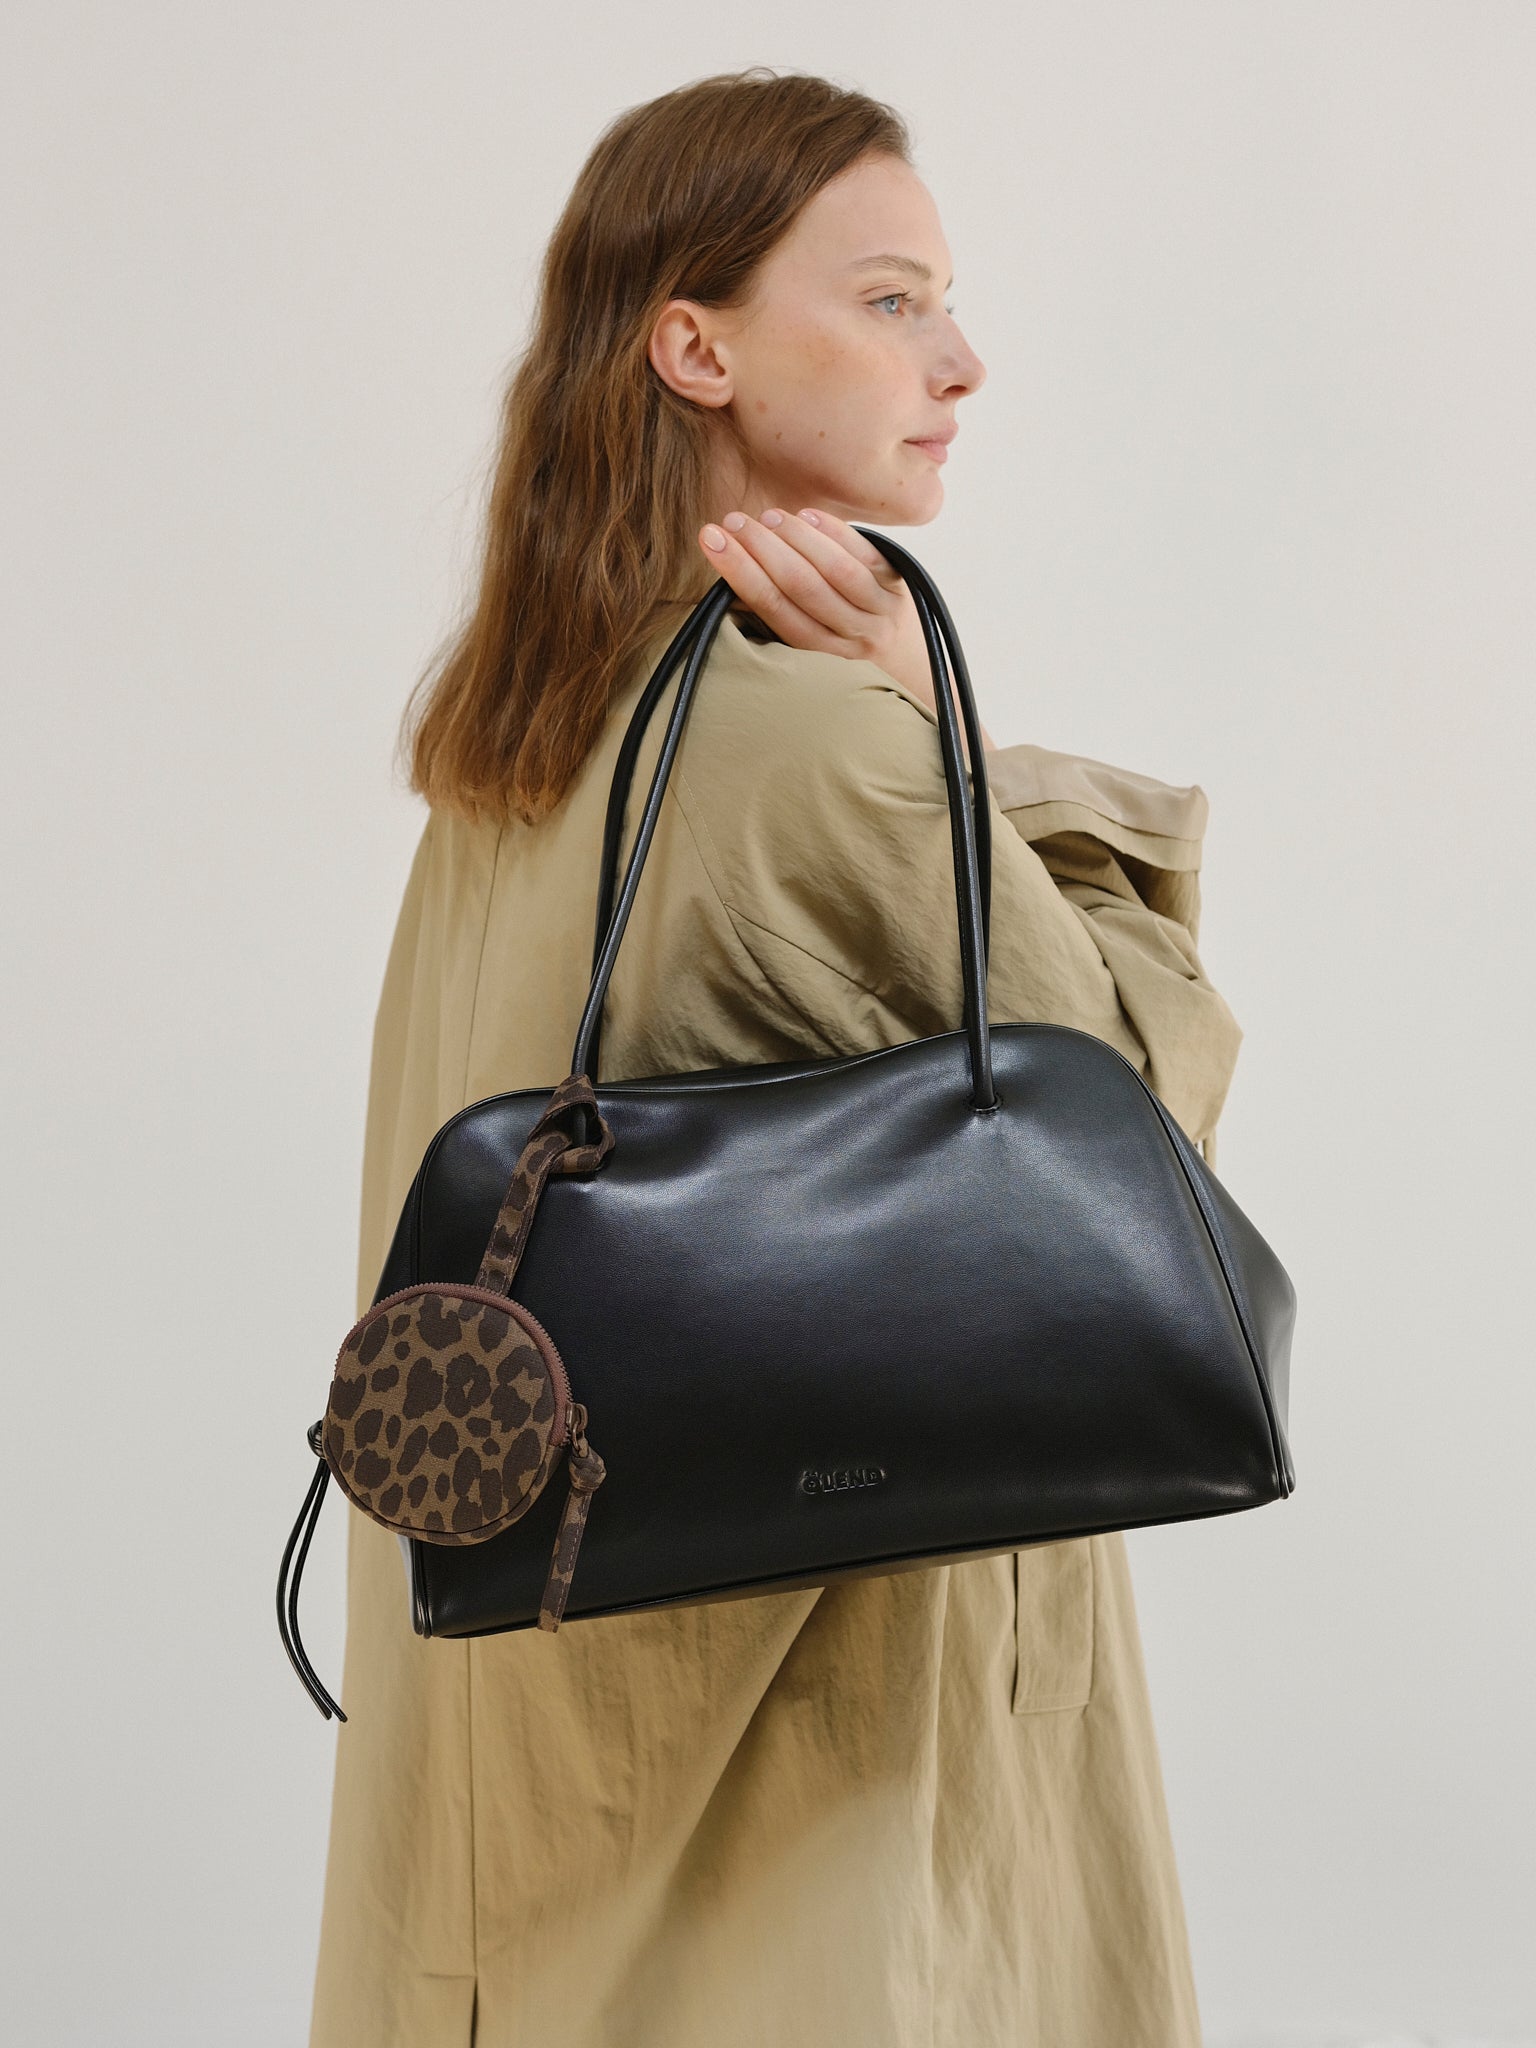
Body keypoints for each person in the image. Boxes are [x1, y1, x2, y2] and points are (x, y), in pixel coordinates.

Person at [309, 67, 1243, 2048]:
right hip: (818, 1754)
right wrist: (937, 734)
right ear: (697, 346)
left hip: (554, 1719)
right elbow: (1136, 1146)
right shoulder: (816, 741)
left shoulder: (517, 739)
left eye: (948, 303)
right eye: (893, 300)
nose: (961, 360)